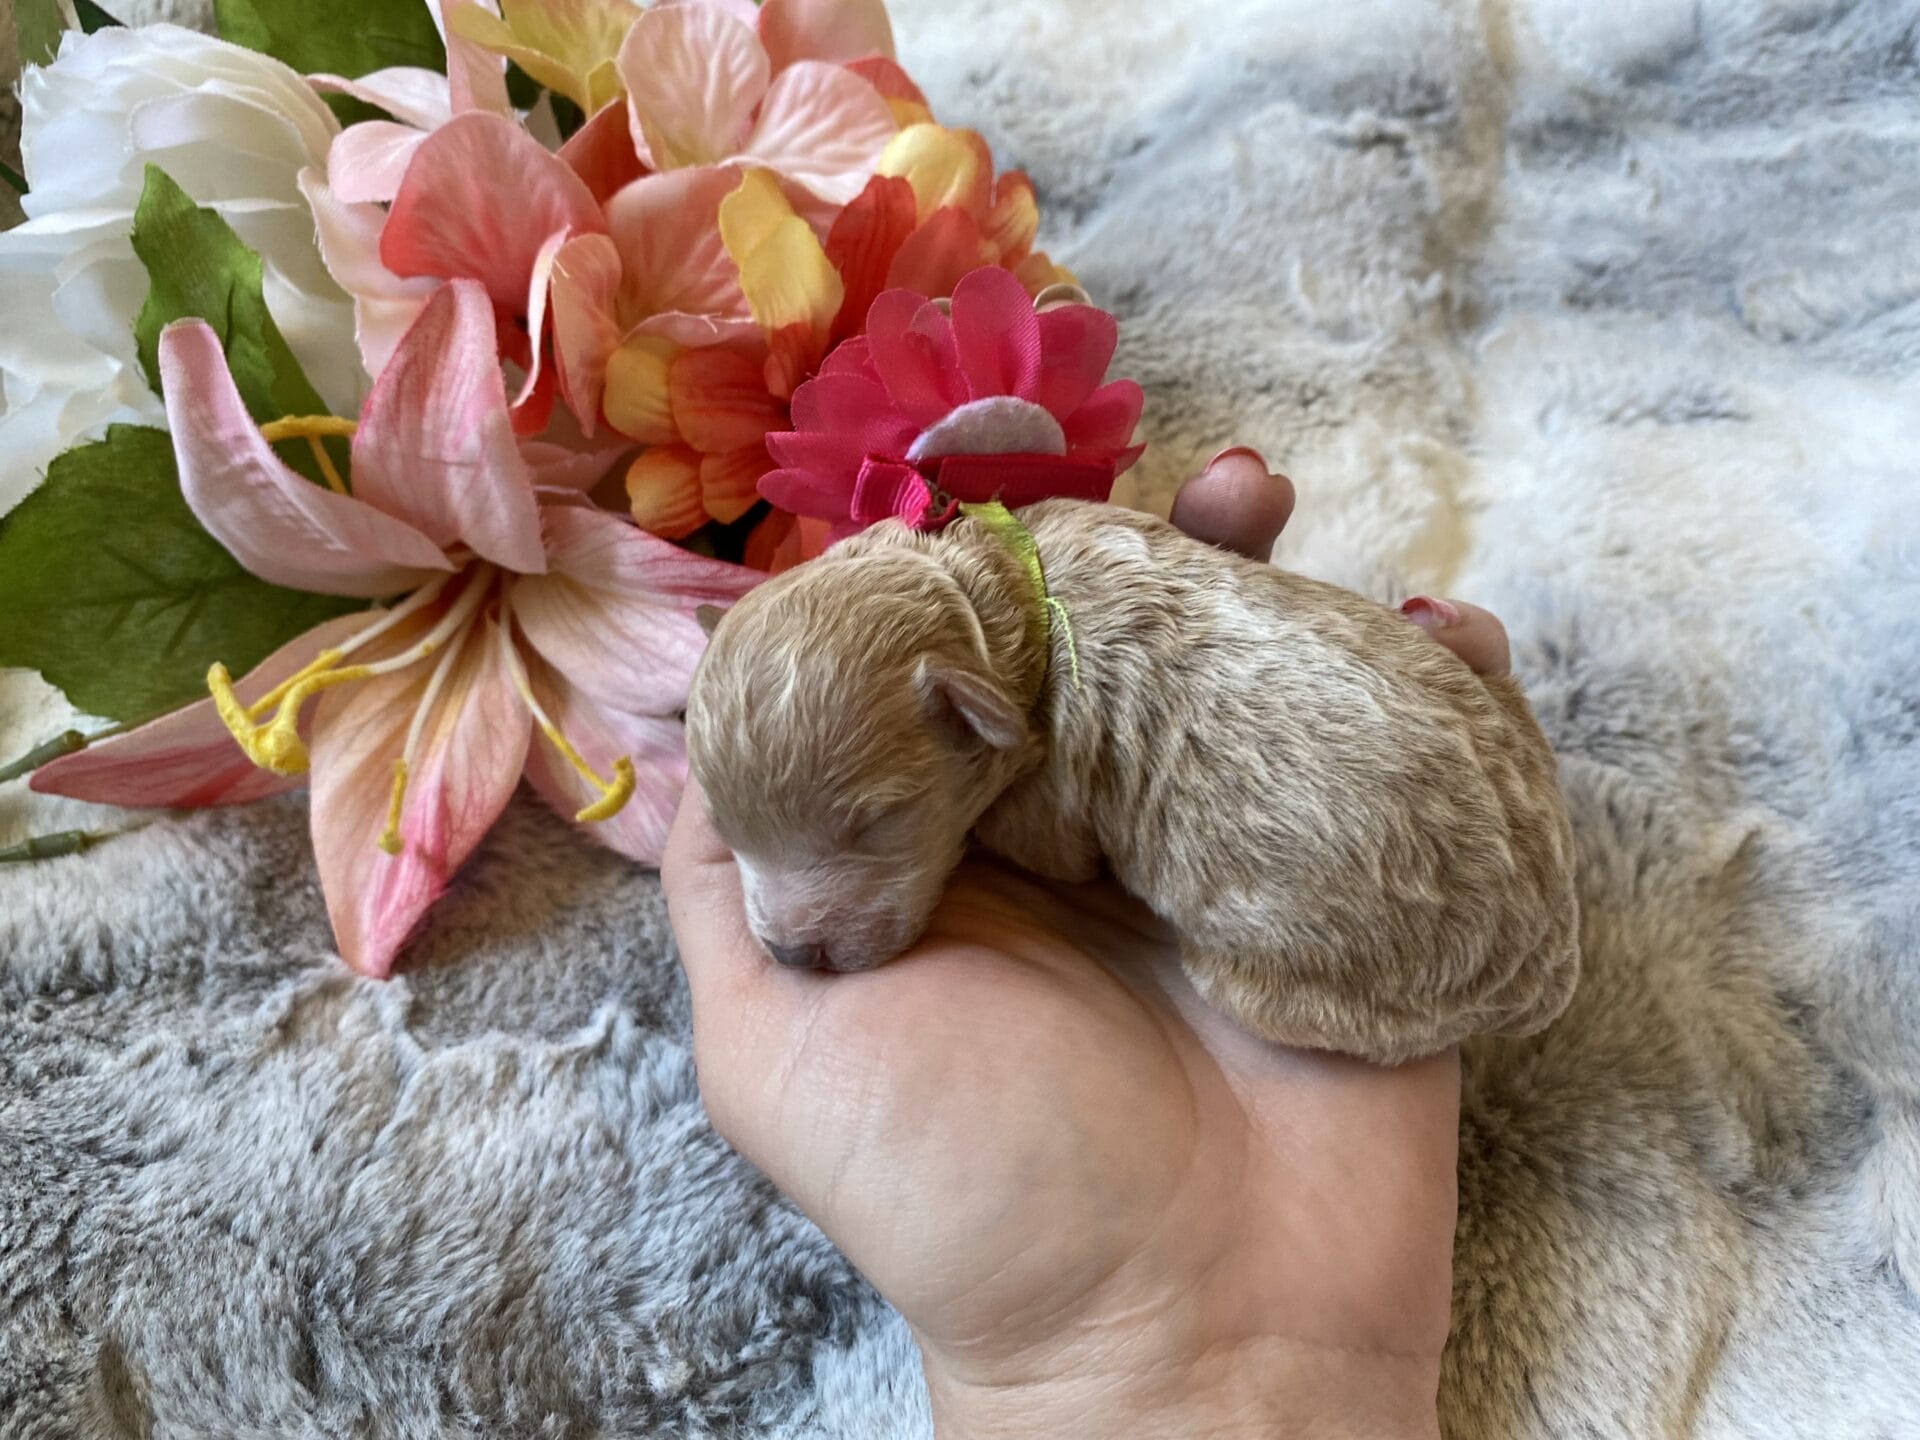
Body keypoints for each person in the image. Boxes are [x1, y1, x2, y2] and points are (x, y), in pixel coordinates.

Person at [662, 449, 1511, 1439]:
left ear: (970, 713)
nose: (782, 928)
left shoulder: (1020, 691)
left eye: (866, 826)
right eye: (744, 830)